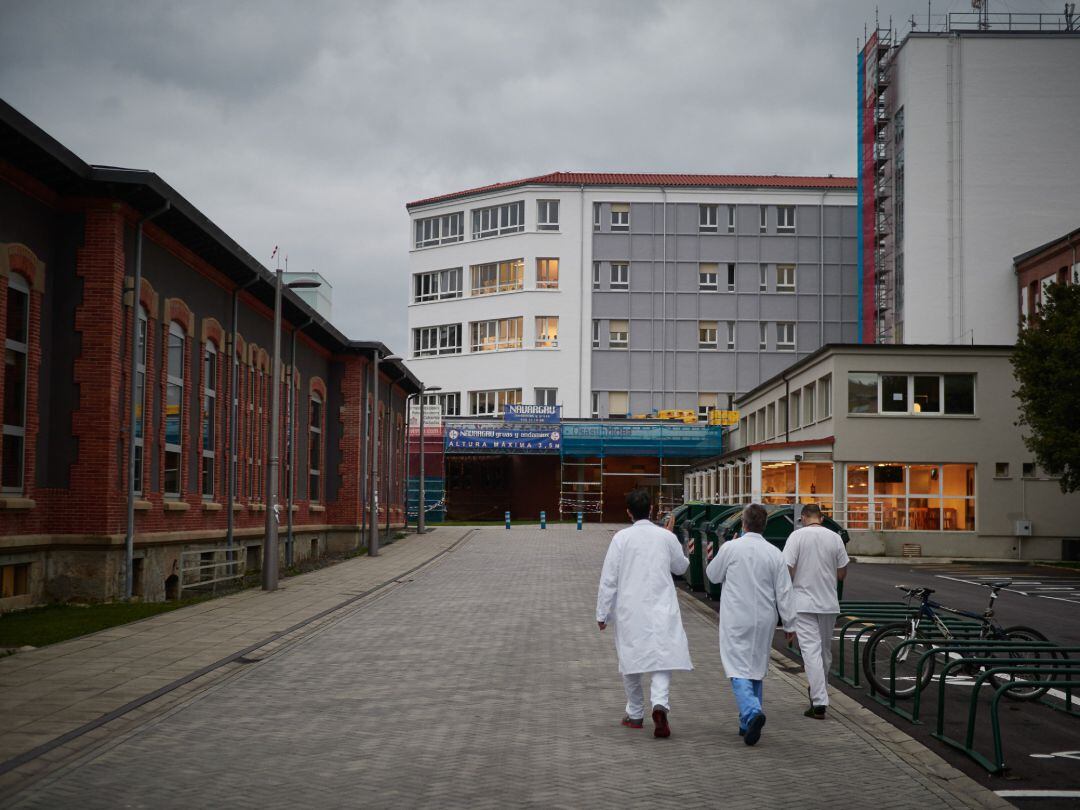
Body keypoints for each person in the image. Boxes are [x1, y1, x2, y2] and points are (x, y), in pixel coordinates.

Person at [596, 488, 692, 738]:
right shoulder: (665, 537)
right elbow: (681, 567)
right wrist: (672, 540)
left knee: (631, 659)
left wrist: (602, 612)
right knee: (662, 657)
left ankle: (635, 713)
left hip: (630, 608)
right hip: (662, 606)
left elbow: (609, 578)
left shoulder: (621, 539)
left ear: (628, 512)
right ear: (651, 509)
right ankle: (660, 703)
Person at [705, 503, 796, 746]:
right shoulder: (775, 553)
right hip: (764, 618)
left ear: (743, 523)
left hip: (737, 616)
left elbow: (712, 575)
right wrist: (789, 624)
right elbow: (784, 592)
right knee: (755, 668)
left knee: (736, 668)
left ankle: (752, 712)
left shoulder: (732, 548)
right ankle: (746, 724)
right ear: (764, 525)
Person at [783, 503, 849, 718]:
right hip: (828, 603)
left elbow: (788, 569)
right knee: (824, 652)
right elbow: (841, 574)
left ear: (803, 517)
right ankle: (820, 689)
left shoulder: (797, 537)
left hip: (803, 603)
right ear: (821, 518)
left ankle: (819, 701)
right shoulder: (835, 538)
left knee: (810, 651)